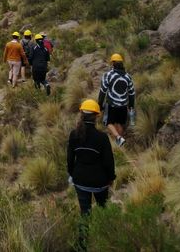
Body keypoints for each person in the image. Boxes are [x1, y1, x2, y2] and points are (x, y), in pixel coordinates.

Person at [67, 99, 116, 249]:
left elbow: (70, 159)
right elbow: (108, 162)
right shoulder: (101, 138)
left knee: (85, 213)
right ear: (96, 116)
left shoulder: (74, 134)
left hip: (80, 180)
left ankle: (81, 246)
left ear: (81, 114)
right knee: (103, 210)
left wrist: (73, 174)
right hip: (100, 182)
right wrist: (111, 178)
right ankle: (106, 241)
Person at [98, 53, 135, 147]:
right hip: (123, 105)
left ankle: (118, 137)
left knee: (108, 123)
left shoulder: (108, 75)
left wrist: (99, 104)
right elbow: (131, 93)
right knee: (119, 124)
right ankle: (120, 145)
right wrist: (131, 106)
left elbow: (103, 91)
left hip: (112, 104)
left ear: (113, 63)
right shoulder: (128, 77)